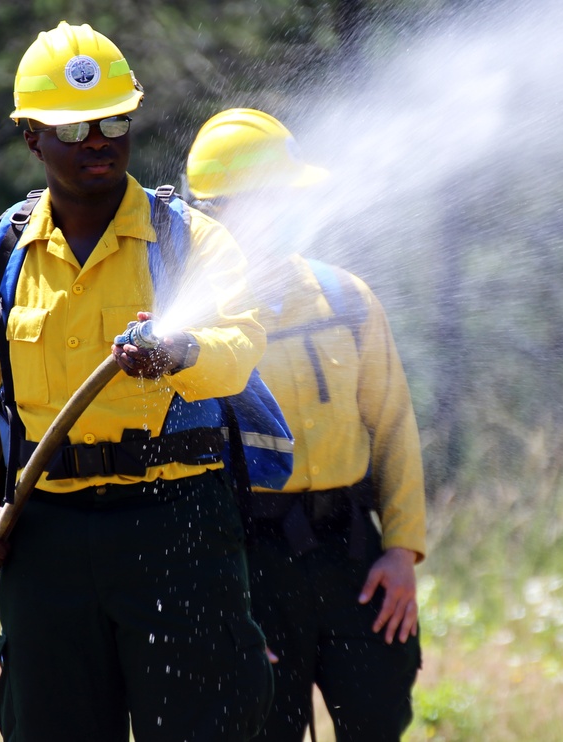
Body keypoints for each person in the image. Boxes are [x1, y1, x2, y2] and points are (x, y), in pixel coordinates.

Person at [0, 23, 272, 741]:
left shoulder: (191, 241)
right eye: (75, 125)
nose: (98, 139)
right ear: (31, 137)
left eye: (115, 119)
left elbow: (239, 348)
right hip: (45, 537)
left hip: (180, 530)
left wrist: (181, 351)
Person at [184, 108, 427, 742]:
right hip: (249, 565)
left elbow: (394, 429)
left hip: (352, 555)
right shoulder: (190, 329)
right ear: (221, 211)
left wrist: (401, 551)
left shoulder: (346, 298)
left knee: (378, 718)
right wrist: (222, 608)